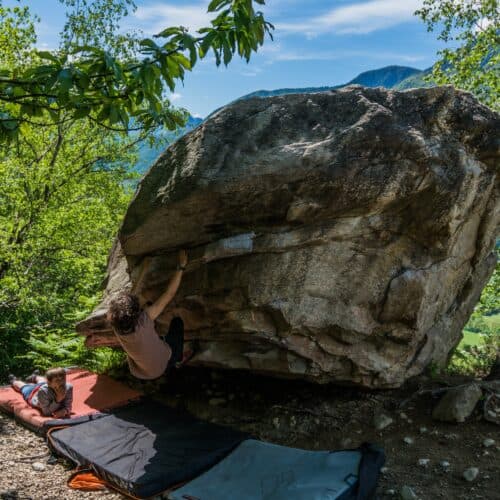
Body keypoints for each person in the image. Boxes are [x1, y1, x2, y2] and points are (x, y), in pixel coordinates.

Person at [107, 249, 190, 380]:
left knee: (149, 310)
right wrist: (181, 266)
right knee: (177, 322)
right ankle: (178, 359)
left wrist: (144, 269)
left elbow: (133, 295)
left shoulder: (116, 323)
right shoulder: (144, 321)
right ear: (135, 314)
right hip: (161, 366)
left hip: (139, 371)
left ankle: (160, 344)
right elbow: (168, 294)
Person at [9, 367, 73, 418]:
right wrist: (58, 400)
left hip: (45, 385)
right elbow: (46, 412)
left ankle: (34, 377)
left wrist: (65, 411)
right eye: (57, 380)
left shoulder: (68, 387)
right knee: (23, 386)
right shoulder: (43, 391)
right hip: (32, 393)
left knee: (41, 381)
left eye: (63, 379)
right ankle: (14, 380)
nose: (61, 382)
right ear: (49, 383)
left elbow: (68, 405)